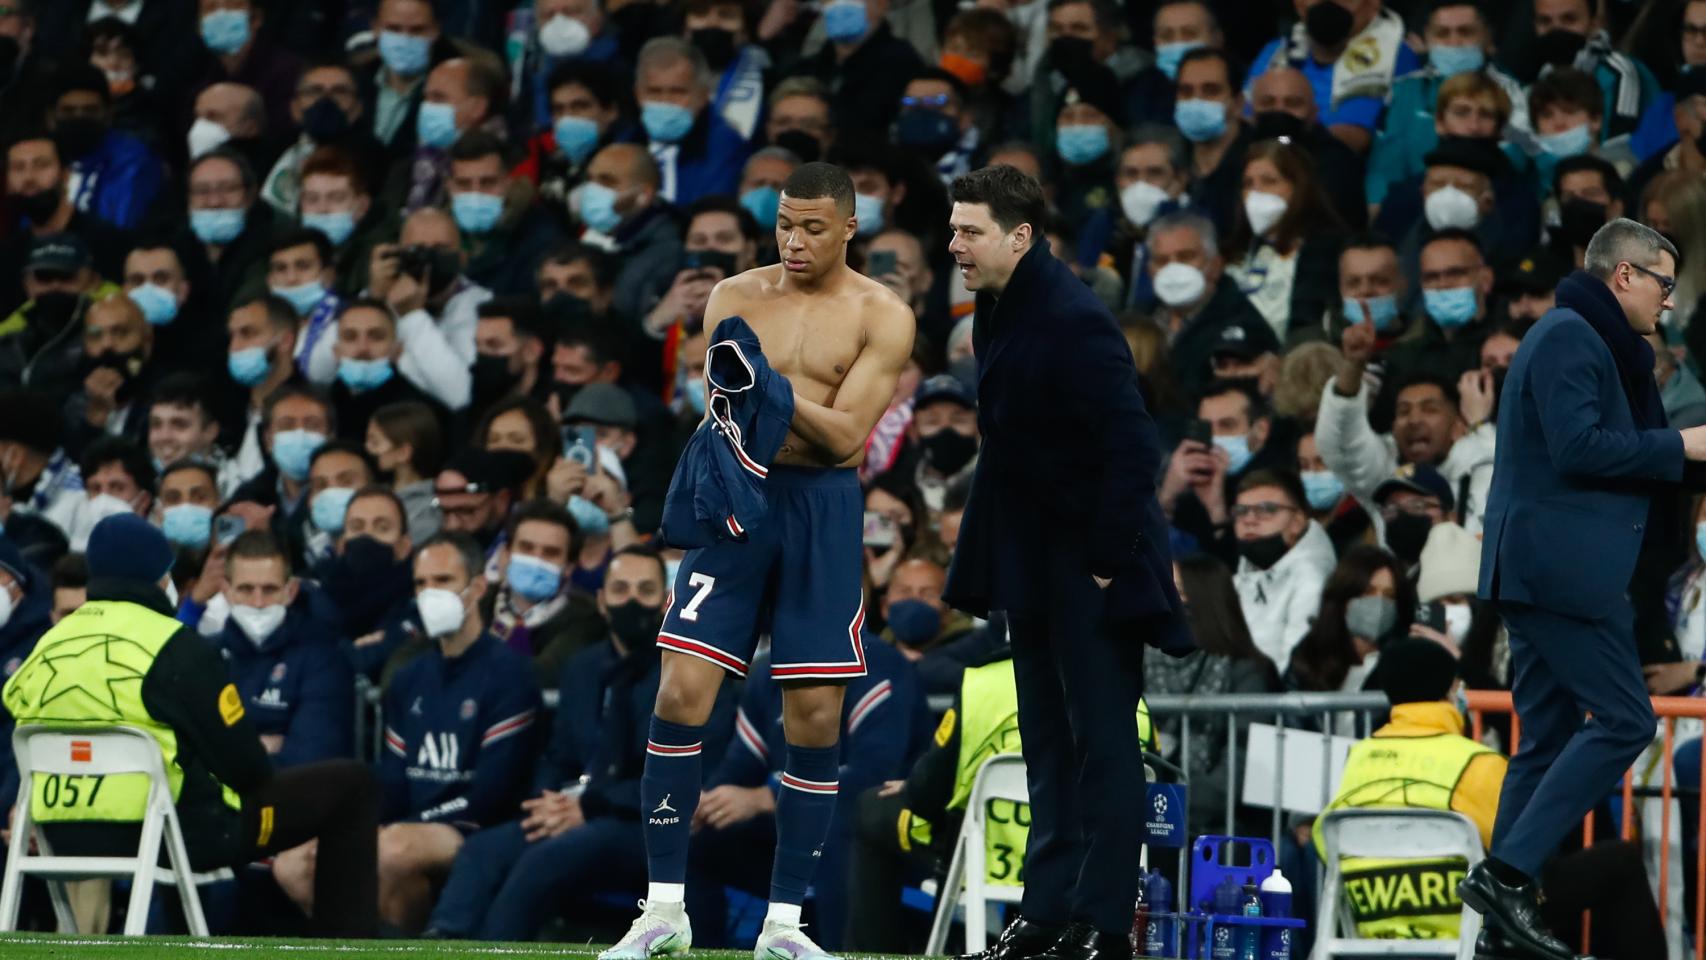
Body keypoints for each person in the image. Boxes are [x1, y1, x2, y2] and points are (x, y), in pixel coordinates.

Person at [601, 161, 913, 960]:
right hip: (736, 489)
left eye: (813, 226)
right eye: (784, 223)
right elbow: (733, 411)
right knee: (679, 690)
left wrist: (766, 389)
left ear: (850, 227)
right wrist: (778, 405)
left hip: (824, 511)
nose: (795, 240)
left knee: (814, 716)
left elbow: (847, 439)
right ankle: (663, 910)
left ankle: (783, 924)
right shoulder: (733, 296)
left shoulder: (885, 313)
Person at [941, 164, 1189, 960]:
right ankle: (1046, 913)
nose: (956, 246)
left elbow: (1132, 442)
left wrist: (1109, 562)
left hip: (1087, 560)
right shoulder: (997, 306)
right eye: (953, 230)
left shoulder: (1076, 317)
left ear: (1019, 236)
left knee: (1104, 743)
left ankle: (1104, 924)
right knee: (1046, 740)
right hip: (1029, 556)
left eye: (970, 232)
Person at [1462, 219, 1706, 957]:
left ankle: (1499, 932)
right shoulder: (1572, 334)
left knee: (1546, 739)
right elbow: (1579, 448)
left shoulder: (1586, 338)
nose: (1669, 301)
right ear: (1624, 275)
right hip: (1563, 571)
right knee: (1629, 721)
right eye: (1663, 284)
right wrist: (1682, 444)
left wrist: (1683, 455)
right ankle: (1506, 875)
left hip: (1543, 567)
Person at [1, 513, 378, 936]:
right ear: (161, 577)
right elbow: (247, 768)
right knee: (354, 786)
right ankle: (348, 946)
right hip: (174, 838)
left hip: (59, 838)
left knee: (177, 782)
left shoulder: (46, 646)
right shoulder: (172, 644)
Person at [425, 547, 736, 941]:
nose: (632, 601)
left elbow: (690, 778)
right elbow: (559, 754)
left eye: (645, 590)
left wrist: (587, 807)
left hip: (649, 825)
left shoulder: (696, 673)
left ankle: (493, 950)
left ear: (666, 601)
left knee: (546, 859)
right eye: (621, 590)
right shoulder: (584, 668)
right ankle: (442, 942)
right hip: (579, 812)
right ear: (602, 602)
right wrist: (549, 801)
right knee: (482, 851)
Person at [271, 531, 540, 935]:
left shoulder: (510, 674)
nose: (429, 593)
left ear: (478, 587)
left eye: (443, 581)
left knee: (390, 849)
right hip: (409, 828)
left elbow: (492, 793)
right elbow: (392, 782)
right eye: (420, 583)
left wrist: (406, 825)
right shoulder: (409, 677)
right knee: (293, 863)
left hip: (480, 828)